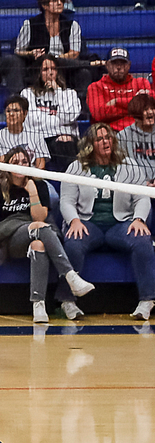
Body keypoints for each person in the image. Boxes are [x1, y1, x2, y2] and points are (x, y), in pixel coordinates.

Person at [0, 147, 88, 323]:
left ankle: (38, 305)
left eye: (24, 162)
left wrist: (32, 192)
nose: (20, 165)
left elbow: (39, 217)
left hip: (35, 230)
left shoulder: (39, 185)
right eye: (15, 162)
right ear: (7, 165)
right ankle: (70, 275)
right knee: (40, 227)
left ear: (30, 165)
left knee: (39, 244)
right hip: (9, 239)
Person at [60, 123, 155, 320]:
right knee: (73, 243)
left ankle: (147, 300)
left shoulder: (129, 166)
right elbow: (67, 201)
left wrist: (139, 219)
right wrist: (74, 221)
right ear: (90, 144)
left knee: (142, 240)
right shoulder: (76, 167)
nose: (105, 142)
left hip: (121, 223)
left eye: (108, 137)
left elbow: (142, 197)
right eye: (99, 139)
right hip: (88, 223)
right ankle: (67, 301)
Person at [14, 0, 92, 94]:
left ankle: (81, 104)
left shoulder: (72, 25)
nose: (60, 3)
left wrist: (55, 59)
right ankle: (91, 63)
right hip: (39, 68)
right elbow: (18, 51)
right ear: (44, 5)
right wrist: (31, 53)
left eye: (61, 0)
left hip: (63, 67)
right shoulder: (30, 24)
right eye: (55, 0)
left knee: (84, 73)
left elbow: (74, 53)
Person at [88, 47, 152, 132]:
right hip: (110, 133)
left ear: (129, 65)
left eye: (123, 63)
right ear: (107, 65)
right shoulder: (95, 87)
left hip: (139, 131)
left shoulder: (141, 83)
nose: (118, 67)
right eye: (114, 63)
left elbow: (147, 107)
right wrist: (134, 108)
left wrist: (117, 102)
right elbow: (99, 114)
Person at [0, 94, 50, 166]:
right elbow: (1, 166)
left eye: (16, 110)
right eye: (8, 111)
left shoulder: (37, 136)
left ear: (25, 113)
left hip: (30, 172)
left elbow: (40, 165)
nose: (11, 114)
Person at [119, 93, 155, 189]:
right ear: (136, 115)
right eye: (145, 110)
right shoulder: (123, 136)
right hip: (135, 186)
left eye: (152, 108)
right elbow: (122, 167)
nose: (150, 112)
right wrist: (141, 182)